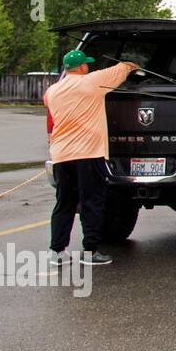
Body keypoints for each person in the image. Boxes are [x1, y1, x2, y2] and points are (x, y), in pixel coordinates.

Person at [43, 50, 139, 266]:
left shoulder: (52, 91)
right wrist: (131, 65)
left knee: (64, 203)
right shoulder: (92, 82)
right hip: (88, 154)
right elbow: (119, 70)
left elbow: (48, 105)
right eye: (87, 64)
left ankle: (57, 251)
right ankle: (91, 251)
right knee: (91, 202)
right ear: (83, 67)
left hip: (61, 155)